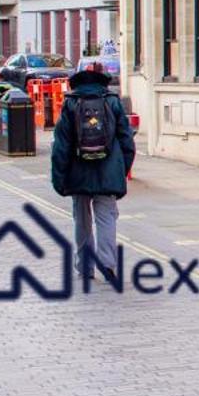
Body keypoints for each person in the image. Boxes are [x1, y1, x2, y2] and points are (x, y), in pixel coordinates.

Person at [50, 57, 134, 287]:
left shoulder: (71, 103)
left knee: (82, 220)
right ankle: (107, 264)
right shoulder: (113, 102)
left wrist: (58, 177)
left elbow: (61, 145)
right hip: (108, 171)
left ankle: (84, 267)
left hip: (78, 172)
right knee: (106, 218)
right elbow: (127, 140)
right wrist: (122, 169)